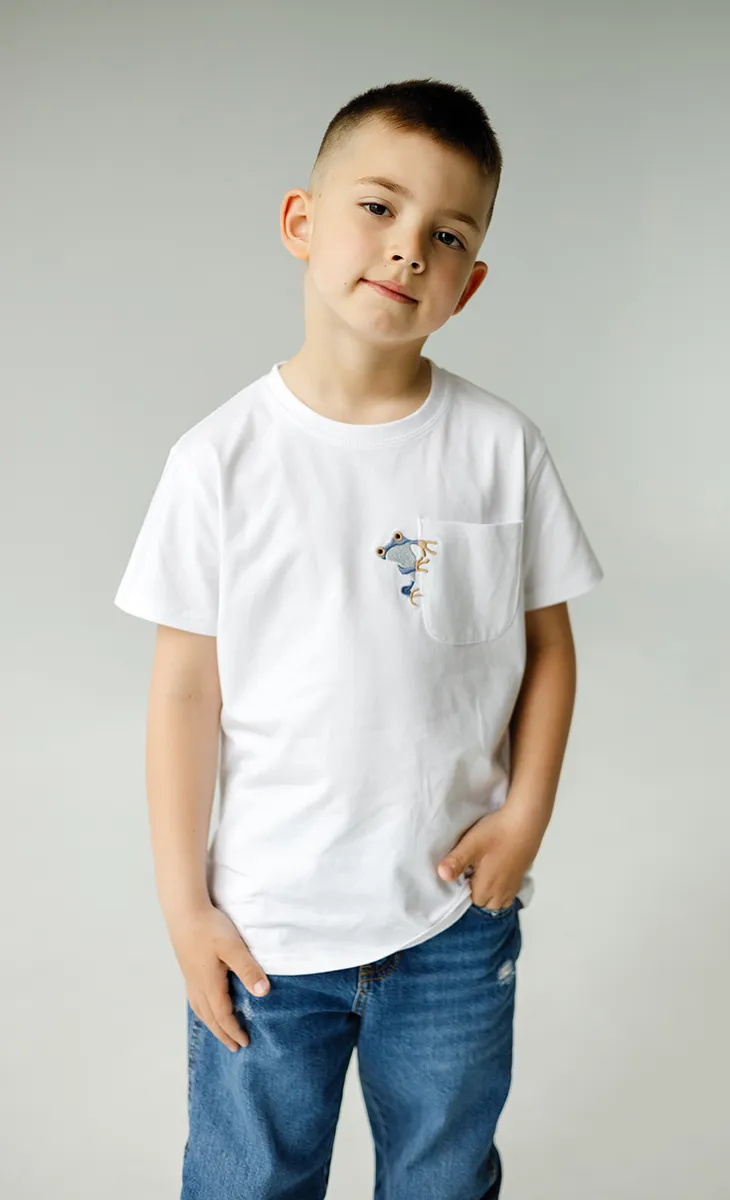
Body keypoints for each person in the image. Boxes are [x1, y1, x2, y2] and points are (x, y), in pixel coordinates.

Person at [114, 78, 604, 1200]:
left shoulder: (499, 449)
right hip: (266, 933)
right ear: (302, 221)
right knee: (246, 1182)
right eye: (377, 208)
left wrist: (525, 813)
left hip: (450, 928)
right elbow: (184, 693)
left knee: (442, 1179)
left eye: (447, 235)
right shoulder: (218, 462)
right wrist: (186, 910)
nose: (407, 249)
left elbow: (548, 648)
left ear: (469, 284)